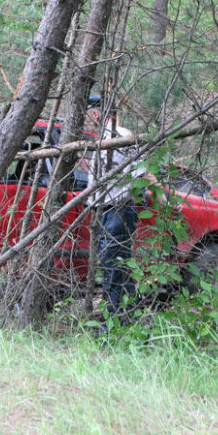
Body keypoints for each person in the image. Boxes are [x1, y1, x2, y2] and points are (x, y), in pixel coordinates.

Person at [82, 105, 145, 325]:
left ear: (96, 115)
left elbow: (142, 170)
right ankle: (132, 319)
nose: (86, 122)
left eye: (87, 117)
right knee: (117, 268)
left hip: (118, 210)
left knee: (113, 269)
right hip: (104, 210)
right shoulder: (102, 140)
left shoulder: (122, 136)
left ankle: (110, 326)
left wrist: (164, 198)